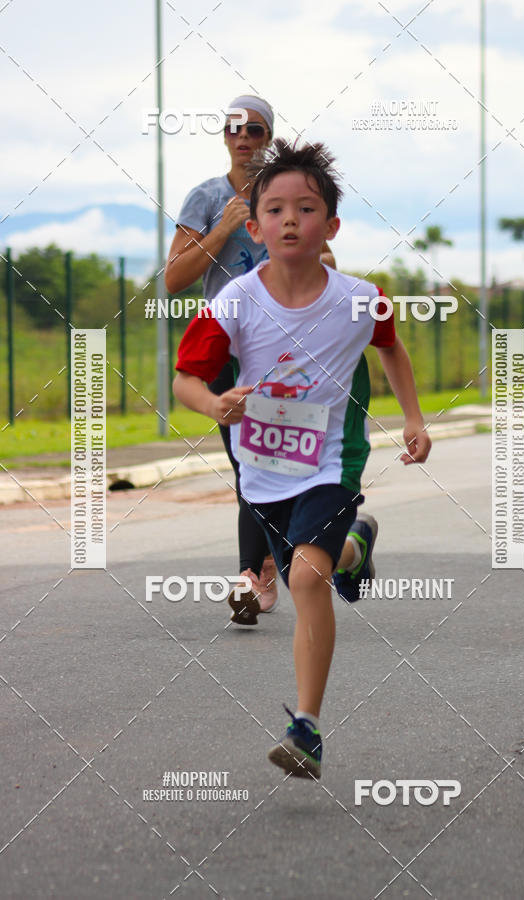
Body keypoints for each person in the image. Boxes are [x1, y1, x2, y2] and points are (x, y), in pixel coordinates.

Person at [173, 139, 431, 779]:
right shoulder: (234, 302)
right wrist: (214, 406)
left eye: (307, 208)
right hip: (263, 472)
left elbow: (390, 349)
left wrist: (414, 419)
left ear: (331, 227)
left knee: (304, 581)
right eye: (276, 209)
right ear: (255, 226)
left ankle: (306, 728)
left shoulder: (359, 298)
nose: (291, 219)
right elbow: (184, 379)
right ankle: (357, 549)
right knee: (317, 566)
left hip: (331, 461)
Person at [166, 96, 335, 621]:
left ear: (268, 136)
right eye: (234, 128)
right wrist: (222, 229)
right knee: (250, 461)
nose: (244, 138)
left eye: (255, 129)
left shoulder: (286, 193)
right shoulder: (207, 197)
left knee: (271, 461)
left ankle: (257, 569)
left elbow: (327, 259)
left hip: (288, 349)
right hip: (225, 343)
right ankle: (256, 570)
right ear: (223, 136)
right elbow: (173, 279)